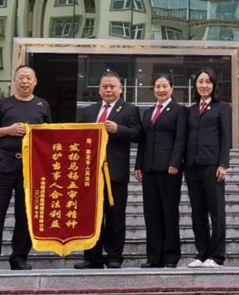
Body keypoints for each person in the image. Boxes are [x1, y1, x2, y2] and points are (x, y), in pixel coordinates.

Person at [0, 65, 51, 271]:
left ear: (35, 81)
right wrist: (9, 130)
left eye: (29, 78)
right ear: (15, 80)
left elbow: (50, 134)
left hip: (30, 164)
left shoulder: (43, 105)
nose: (25, 81)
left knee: (25, 213)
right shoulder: (3, 104)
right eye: (21, 78)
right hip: (4, 162)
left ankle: (19, 257)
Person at [74, 71, 142, 269]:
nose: (109, 90)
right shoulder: (89, 111)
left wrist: (118, 129)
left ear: (120, 89)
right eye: (105, 86)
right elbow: (77, 135)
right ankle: (92, 257)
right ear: (99, 89)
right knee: (91, 216)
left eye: (113, 86)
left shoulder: (130, 110)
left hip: (116, 171)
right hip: (91, 172)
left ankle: (114, 257)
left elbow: (138, 134)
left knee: (115, 216)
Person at [134, 74, 187, 268]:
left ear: (171, 89)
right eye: (158, 86)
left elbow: (181, 138)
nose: (161, 90)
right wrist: (139, 164)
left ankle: (171, 257)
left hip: (169, 168)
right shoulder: (148, 112)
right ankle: (154, 257)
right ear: (153, 89)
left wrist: (175, 162)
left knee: (169, 212)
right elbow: (143, 140)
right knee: (152, 213)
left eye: (165, 86)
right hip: (149, 167)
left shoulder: (179, 110)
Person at [184, 68, 231, 268]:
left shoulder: (222, 108)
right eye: (200, 82)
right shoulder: (191, 110)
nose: (204, 85)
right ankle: (201, 254)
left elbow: (226, 137)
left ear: (214, 85)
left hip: (212, 165)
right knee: (198, 212)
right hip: (192, 166)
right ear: (195, 85)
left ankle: (216, 256)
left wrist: (223, 164)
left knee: (216, 211)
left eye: (208, 82)